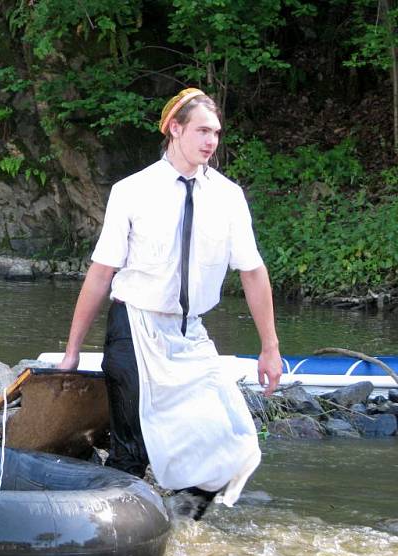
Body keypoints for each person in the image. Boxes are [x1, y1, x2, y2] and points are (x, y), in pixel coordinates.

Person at [57, 88, 282, 518]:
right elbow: (101, 273)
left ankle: (180, 528)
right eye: (201, 130)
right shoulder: (133, 190)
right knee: (132, 452)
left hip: (190, 333)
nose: (211, 141)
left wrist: (269, 346)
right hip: (134, 327)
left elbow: (253, 272)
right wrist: (72, 350)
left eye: (215, 132)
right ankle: (102, 540)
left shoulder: (228, 196)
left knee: (229, 440)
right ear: (174, 129)